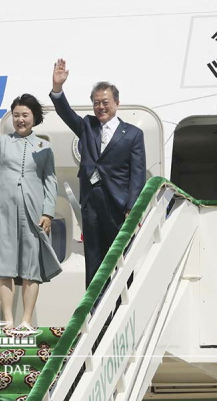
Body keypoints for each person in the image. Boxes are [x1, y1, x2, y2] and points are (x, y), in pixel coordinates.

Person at [49, 58, 146, 287]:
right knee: (93, 259)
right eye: (96, 103)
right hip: (91, 202)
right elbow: (65, 113)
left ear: (117, 103)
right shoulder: (87, 126)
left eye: (105, 102)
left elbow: (138, 174)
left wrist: (132, 207)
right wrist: (57, 88)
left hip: (118, 203)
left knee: (120, 257)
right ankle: (94, 315)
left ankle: (122, 306)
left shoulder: (133, 134)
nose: (100, 107)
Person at [0, 93, 61, 329]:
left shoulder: (45, 147)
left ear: (34, 118)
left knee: (31, 267)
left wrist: (48, 212)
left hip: (33, 212)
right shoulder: (2, 141)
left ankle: (26, 320)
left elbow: (50, 181)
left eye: (25, 115)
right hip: (4, 210)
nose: (20, 120)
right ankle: (8, 320)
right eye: (16, 115)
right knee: (5, 265)